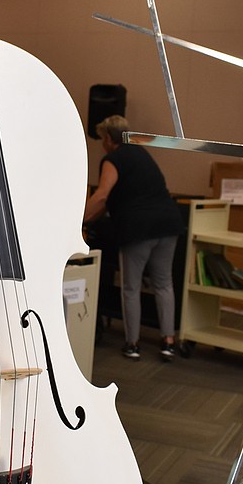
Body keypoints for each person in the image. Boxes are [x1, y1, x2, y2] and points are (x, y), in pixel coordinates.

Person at [83, 114, 183, 361]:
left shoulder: (113, 159)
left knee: (131, 286)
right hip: (169, 222)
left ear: (109, 138)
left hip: (138, 228)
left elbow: (102, 196)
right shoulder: (142, 154)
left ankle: (132, 344)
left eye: (103, 138)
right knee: (164, 283)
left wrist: (80, 221)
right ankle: (168, 341)